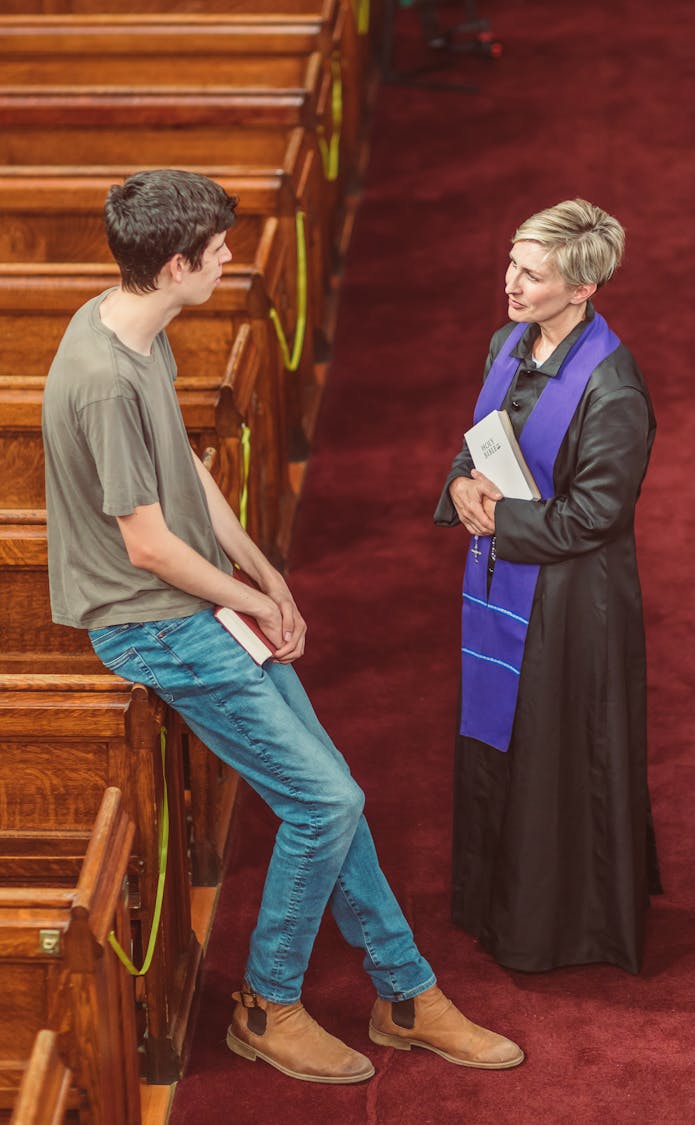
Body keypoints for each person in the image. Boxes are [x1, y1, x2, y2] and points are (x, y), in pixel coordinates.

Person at [41, 168, 524, 1085]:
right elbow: (144, 543)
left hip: (195, 603)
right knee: (327, 802)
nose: (230, 259)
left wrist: (259, 568)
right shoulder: (102, 375)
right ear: (177, 263)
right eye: (217, 251)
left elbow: (180, 463)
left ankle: (404, 991)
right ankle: (268, 1004)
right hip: (152, 625)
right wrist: (250, 602)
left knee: (333, 791)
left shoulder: (130, 324)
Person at [434, 198, 662, 976]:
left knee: (554, 754)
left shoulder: (613, 387)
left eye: (533, 275)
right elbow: (483, 444)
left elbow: (597, 513)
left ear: (582, 289)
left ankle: (556, 927)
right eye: (512, 264)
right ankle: (491, 904)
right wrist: (462, 486)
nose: (512, 284)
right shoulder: (508, 342)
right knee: (501, 744)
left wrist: (501, 522)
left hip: (573, 605)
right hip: (506, 579)